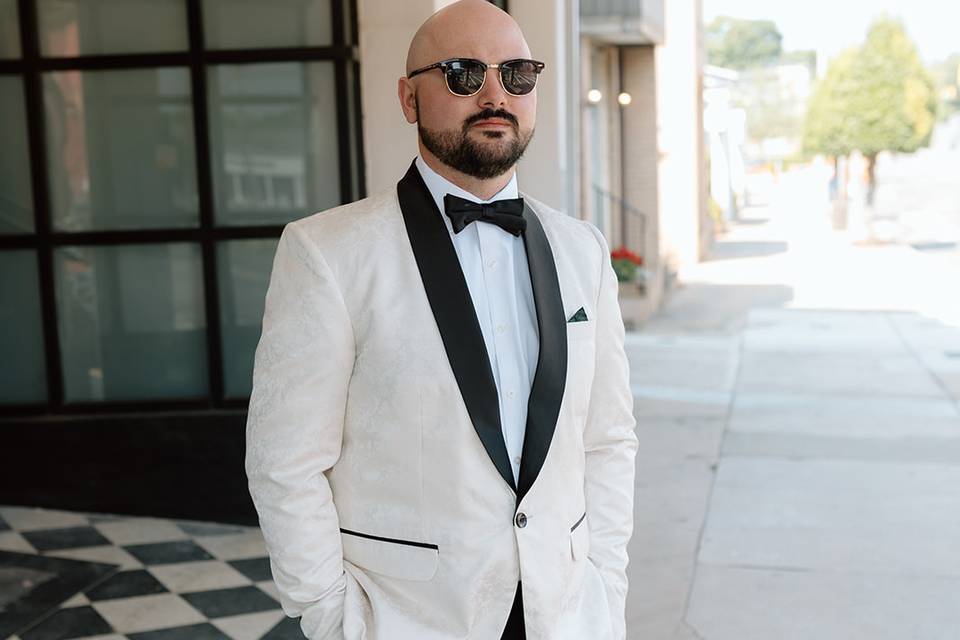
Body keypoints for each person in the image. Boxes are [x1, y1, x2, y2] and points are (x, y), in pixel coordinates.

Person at [244, 1, 638, 638]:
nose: (493, 93)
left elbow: (608, 438)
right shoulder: (327, 253)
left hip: (566, 613)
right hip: (404, 620)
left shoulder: (582, 249)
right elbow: (283, 460)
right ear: (408, 98)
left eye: (516, 75)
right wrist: (327, 612)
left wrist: (606, 581)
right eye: (461, 73)